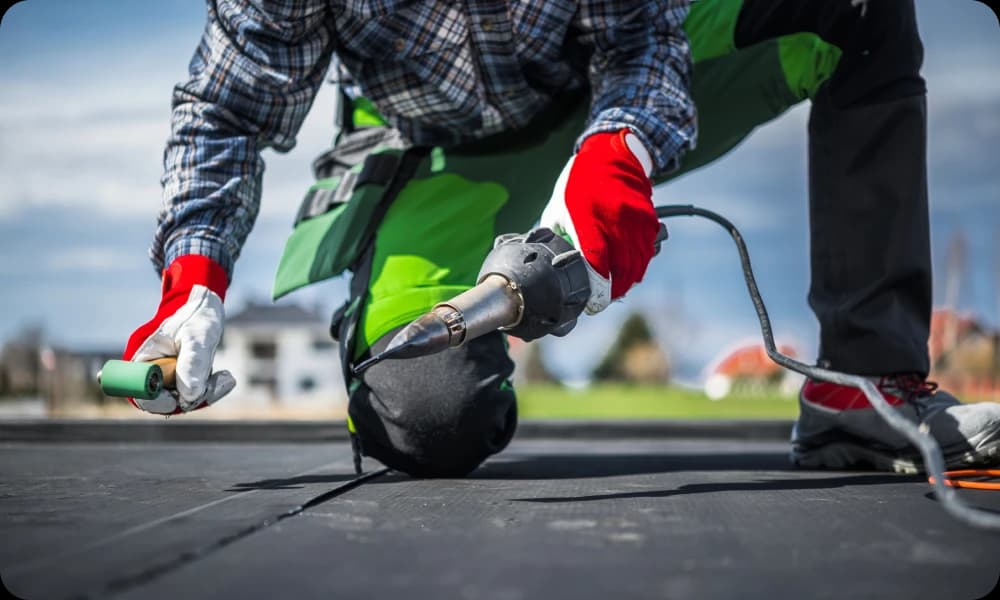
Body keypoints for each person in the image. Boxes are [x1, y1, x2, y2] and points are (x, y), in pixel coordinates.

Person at [123, 0, 1000, 477]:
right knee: (427, 415)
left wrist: (619, 148)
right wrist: (190, 281)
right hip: (437, 153)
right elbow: (226, 110)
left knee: (857, 6)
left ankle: (862, 389)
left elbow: (645, 45)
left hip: (601, 91)